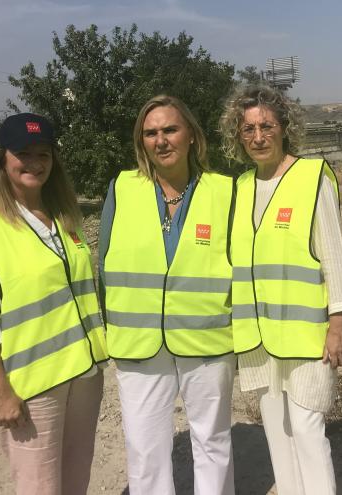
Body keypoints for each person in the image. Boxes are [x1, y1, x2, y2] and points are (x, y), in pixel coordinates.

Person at [0, 113, 109, 495]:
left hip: (84, 374)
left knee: (76, 477)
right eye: (24, 153)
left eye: (44, 153)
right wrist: (0, 392)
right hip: (33, 387)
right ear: (2, 159)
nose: (35, 162)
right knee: (39, 486)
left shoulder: (63, 217)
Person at [98, 94, 236, 495]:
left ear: (191, 134)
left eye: (170, 129)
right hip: (139, 343)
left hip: (207, 339)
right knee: (144, 449)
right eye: (151, 133)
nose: (161, 140)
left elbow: (240, 269)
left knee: (212, 440)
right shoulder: (121, 189)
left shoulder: (224, 191)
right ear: (142, 142)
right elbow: (104, 264)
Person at [220, 85, 342, 495]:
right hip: (259, 335)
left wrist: (338, 323)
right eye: (248, 129)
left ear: (285, 128)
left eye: (267, 126)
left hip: (308, 335)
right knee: (277, 428)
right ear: (237, 136)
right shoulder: (240, 187)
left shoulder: (312, 178)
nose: (258, 137)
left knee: (308, 427)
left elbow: (334, 256)